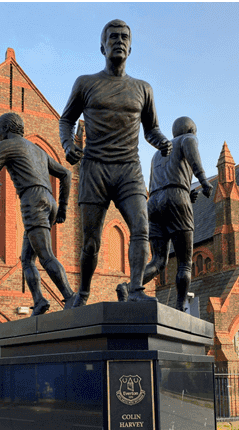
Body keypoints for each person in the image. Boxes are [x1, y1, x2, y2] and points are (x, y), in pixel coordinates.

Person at [59, 19, 172, 306]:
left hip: (128, 170)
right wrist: (68, 143)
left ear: (131, 47)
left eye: (124, 37)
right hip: (94, 168)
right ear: (102, 46)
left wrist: (162, 142)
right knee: (90, 242)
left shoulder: (143, 88)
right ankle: (82, 293)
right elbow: (67, 119)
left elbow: (151, 129)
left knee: (141, 228)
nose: (119, 40)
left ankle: (135, 290)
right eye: (113, 36)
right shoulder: (86, 83)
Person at [0, 113, 77, 315]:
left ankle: (71, 296)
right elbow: (65, 174)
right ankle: (40, 301)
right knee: (26, 259)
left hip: (32, 200)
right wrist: (62, 207)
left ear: (6, 129)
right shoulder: (38, 150)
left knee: (45, 255)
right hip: (49, 201)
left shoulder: (6, 146)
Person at [141, 116, 212, 312]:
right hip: (176, 198)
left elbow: (160, 183)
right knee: (185, 263)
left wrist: (187, 193)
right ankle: (181, 306)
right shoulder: (187, 139)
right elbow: (193, 159)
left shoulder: (157, 154)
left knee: (158, 260)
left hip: (153, 203)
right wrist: (204, 182)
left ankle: (130, 287)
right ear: (190, 130)